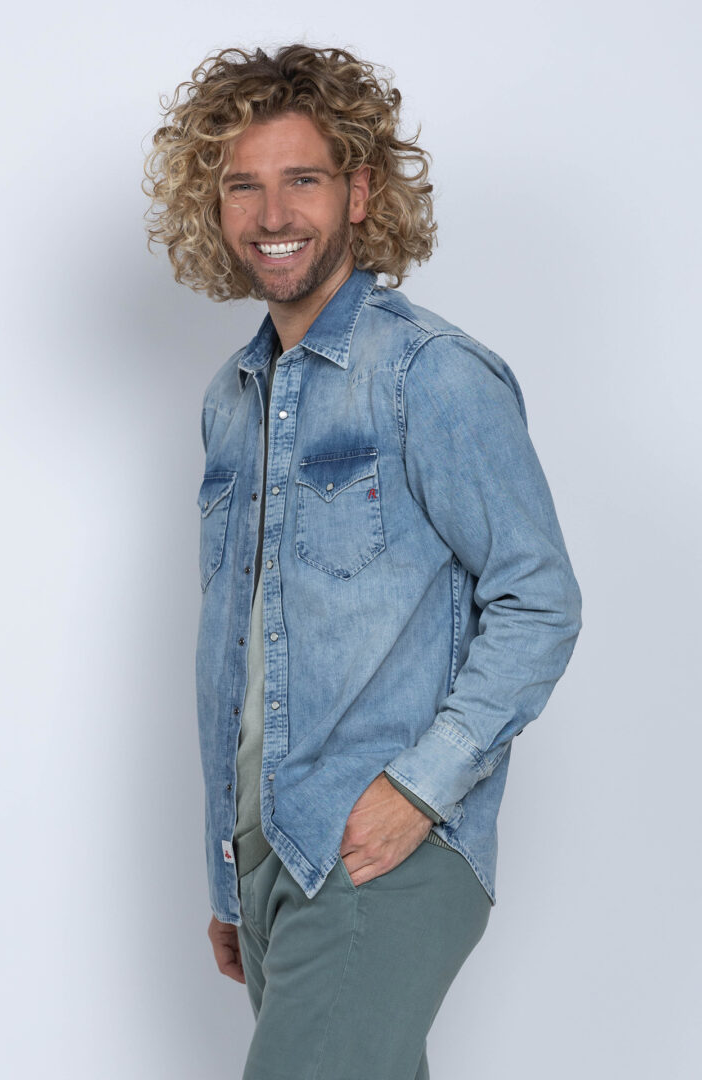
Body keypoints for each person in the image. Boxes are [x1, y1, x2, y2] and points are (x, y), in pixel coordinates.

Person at [143, 43, 583, 1079]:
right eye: (242, 186)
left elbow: (539, 601)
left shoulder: (430, 374)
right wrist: (230, 877)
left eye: (302, 178)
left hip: (384, 848)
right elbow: (243, 647)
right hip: (273, 859)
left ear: (360, 192)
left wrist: (418, 790)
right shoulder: (231, 398)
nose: (272, 213)